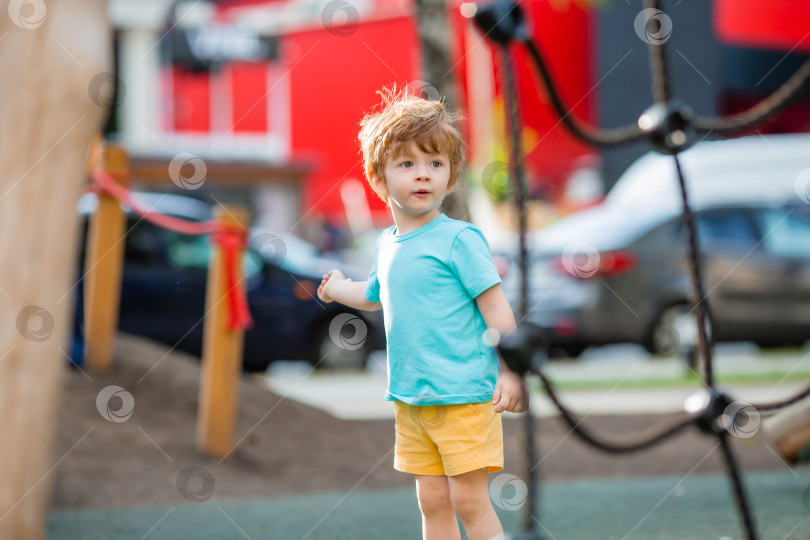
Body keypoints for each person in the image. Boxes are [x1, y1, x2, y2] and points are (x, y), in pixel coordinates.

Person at [317, 88, 527, 540]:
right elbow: (373, 293)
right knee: (431, 501)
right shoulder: (387, 243)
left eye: (435, 164)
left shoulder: (460, 240)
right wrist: (337, 290)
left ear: (451, 178)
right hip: (412, 399)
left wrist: (512, 372)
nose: (423, 175)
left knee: (469, 500)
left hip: (465, 396)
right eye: (407, 164)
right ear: (378, 178)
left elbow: (496, 307)